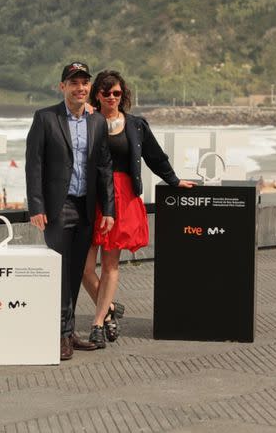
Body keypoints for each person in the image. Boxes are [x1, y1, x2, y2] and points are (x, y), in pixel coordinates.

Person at [81, 70, 196, 348]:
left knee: (110, 264)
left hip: (124, 198)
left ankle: (98, 323)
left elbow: (155, 156)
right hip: (92, 197)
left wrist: (174, 179)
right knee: (83, 267)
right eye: (106, 92)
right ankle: (109, 309)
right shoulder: (87, 122)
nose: (111, 97)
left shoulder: (136, 125)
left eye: (116, 93)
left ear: (124, 95)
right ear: (97, 94)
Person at [26, 61, 115, 361]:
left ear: (89, 88)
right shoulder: (45, 118)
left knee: (76, 271)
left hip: (86, 206)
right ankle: (62, 334)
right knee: (61, 271)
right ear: (62, 87)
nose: (80, 88)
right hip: (57, 207)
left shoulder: (97, 122)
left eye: (84, 83)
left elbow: (104, 167)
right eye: (73, 83)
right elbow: (34, 164)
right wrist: (36, 206)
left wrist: (109, 209)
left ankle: (68, 331)